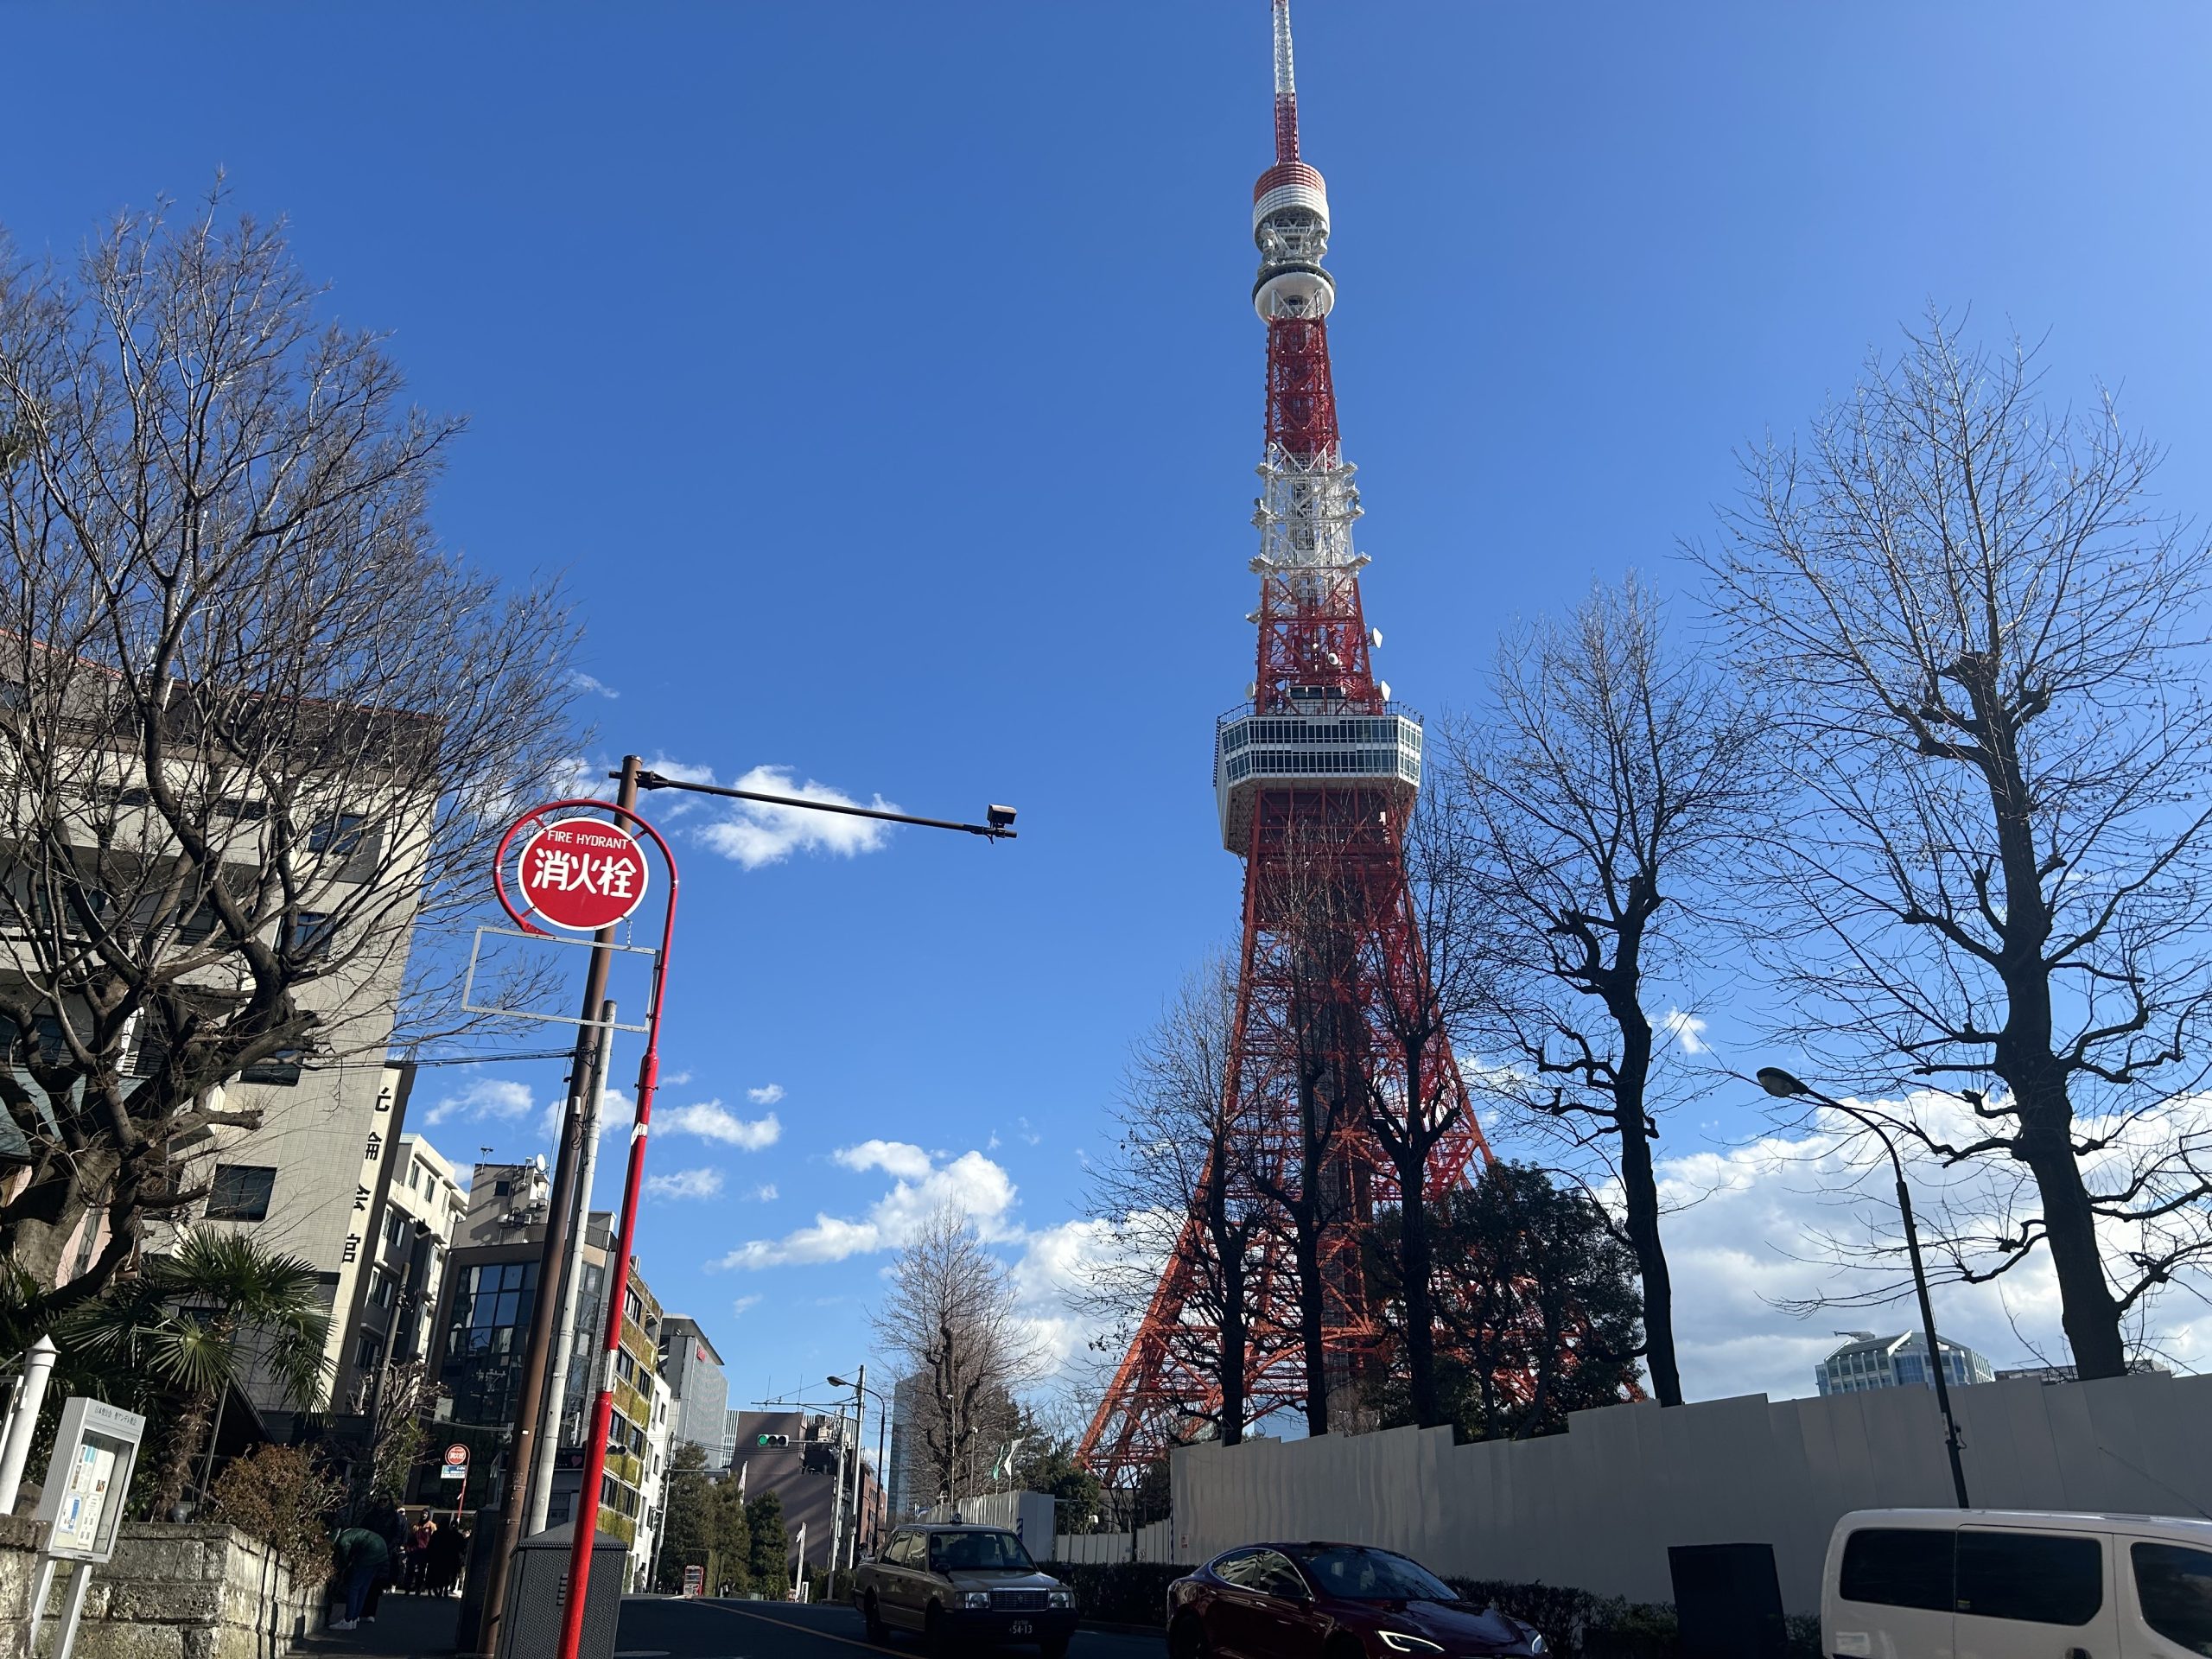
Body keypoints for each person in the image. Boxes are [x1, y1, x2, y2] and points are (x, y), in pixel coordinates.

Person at [328, 1523, 391, 1631]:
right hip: (381, 1550)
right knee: (364, 1587)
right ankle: (354, 1618)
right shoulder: (350, 1531)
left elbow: (345, 1556)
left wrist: (344, 1566)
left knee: (354, 1587)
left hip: (370, 1553)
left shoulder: (342, 1540)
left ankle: (348, 1620)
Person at [405, 1516, 436, 1593]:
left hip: (424, 1551)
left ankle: (418, 1587)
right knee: (411, 1570)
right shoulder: (416, 1526)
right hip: (414, 1551)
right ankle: (408, 1587)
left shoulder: (432, 1526)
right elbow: (410, 1537)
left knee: (421, 1571)